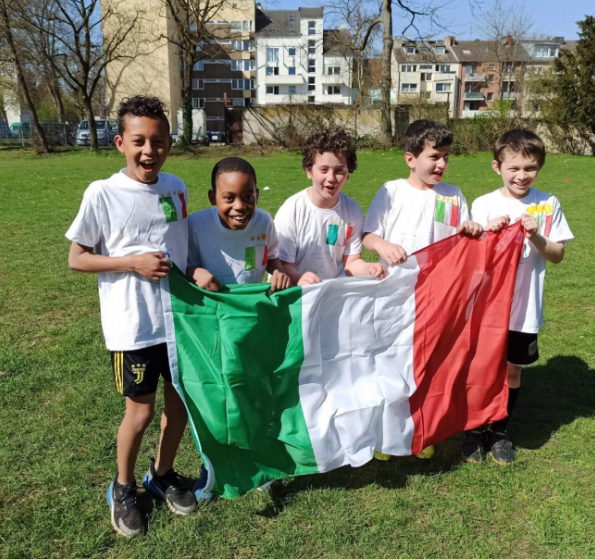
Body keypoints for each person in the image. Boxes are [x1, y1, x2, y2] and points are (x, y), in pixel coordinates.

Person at [65, 96, 197, 538]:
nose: (149, 151)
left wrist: (192, 269)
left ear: (169, 144)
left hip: (178, 323)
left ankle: (161, 475)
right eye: (139, 141)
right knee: (139, 415)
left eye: (158, 141)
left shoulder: (176, 187)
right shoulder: (102, 192)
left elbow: (180, 247)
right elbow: (77, 258)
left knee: (179, 406)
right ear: (120, 142)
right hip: (133, 327)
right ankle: (122, 488)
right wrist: (132, 262)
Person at [362, 119, 483, 460]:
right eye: (434, 156)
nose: (441, 164)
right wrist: (383, 246)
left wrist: (471, 228)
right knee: (390, 359)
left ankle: (423, 428)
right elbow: (368, 235)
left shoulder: (453, 194)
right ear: (410, 158)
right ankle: (386, 431)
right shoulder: (391, 191)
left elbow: (463, 238)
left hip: (438, 296)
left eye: (446, 156)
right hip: (395, 294)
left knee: (429, 360)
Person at [186, 156, 292, 500]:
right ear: (211, 196)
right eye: (228, 198)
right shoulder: (195, 225)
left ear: (257, 195)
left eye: (248, 196)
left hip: (252, 324)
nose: (239, 206)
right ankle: (212, 470)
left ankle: (260, 465)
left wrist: (277, 270)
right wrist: (194, 272)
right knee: (217, 399)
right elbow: (178, 264)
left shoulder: (264, 220)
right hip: (212, 327)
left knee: (255, 394)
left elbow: (272, 255)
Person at [466, 129, 574, 466]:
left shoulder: (548, 203)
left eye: (530, 168)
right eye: (513, 168)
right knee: (481, 368)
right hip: (487, 309)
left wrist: (536, 235)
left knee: (512, 372)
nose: (521, 176)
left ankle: (499, 432)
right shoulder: (484, 204)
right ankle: (473, 430)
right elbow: (471, 259)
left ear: (539, 167)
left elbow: (557, 255)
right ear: (497, 167)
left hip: (524, 309)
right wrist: (488, 234)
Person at [274, 127, 385, 285]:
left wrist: (369, 268)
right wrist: (299, 278)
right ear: (309, 170)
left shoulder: (352, 210)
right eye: (324, 169)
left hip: (331, 295)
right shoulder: (292, 210)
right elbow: (282, 266)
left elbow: (351, 263)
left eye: (339, 170)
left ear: (348, 174)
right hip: (295, 297)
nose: (331, 178)